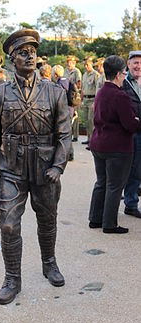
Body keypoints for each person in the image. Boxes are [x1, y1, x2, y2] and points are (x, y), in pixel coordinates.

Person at [0, 29, 72, 305]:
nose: (29, 56)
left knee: (47, 219)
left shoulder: (54, 92)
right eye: (23, 52)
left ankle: (49, 262)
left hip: (45, 168)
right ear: (12, 59)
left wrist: (58, 166)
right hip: (11, 167)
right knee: (8, 226)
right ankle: (12, 278)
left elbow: (65, 135)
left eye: (32, 52)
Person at [88, 55, 141, 234]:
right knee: (115, 186)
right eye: (124, 73)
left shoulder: (102, 91)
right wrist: (137, 119)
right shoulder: (121, 96)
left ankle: (95, 219)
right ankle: (109, 224)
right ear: (118, 74)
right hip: (117, 147)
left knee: (102, 182)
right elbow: (130, 124)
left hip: (99, 144)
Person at [123, 50, 141, 218]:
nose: (138, 66)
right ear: (128, 64)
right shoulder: (123, 82)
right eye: (135, 62)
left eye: (140, 63)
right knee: (132, 168)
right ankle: (131, 203)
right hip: (131, 133)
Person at [52, 64, 77, 161]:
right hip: (70, 109)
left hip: (64, 110)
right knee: (68, 132)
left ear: (55, 75)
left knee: (63, 133)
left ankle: (68, 154)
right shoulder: (68, 81)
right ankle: (70, 154)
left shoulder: (59, 84)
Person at [81, 56, 99, 148]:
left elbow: (98, 89)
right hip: (85, 99)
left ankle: (92, 141)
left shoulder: (95, 74)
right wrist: (81, 100)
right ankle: (88, 139)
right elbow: (82, 89)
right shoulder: (84, 75)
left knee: (91, 121)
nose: (86, 66)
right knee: (86, 121)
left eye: (87, 65)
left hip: (92, 99)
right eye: (84, 65)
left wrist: (95, 102)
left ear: (91, 64)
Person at [64, 55, 82, 142]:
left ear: (74, 63)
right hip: (66, 96)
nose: (68, 64)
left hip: (74, 96)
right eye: (67, 62)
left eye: (70, 62)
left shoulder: (76, 71)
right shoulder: (65, 71)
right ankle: (69, 134)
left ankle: (75, 135)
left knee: (75, 116)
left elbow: (79, 84)